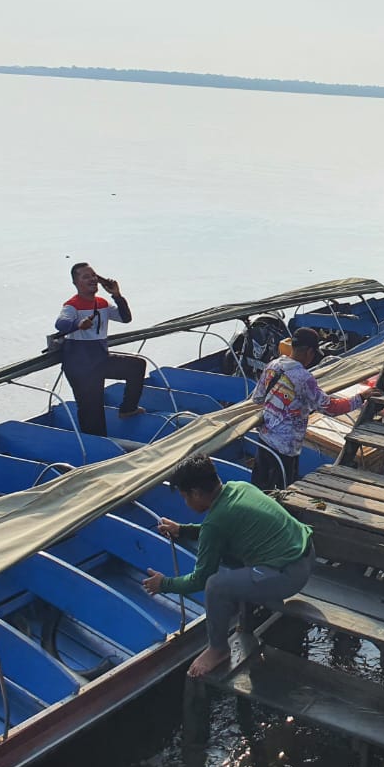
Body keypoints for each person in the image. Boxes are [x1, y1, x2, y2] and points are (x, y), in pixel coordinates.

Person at [142, 455, 316, 677]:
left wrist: (163, 584)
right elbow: (217, 528)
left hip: (290, 576)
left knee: (215, 584)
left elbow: (200, 579)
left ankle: (218, 649)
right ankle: (248, 598)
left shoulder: (216, 522)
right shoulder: (239, 487)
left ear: (196, 493)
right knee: (227, 556)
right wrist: (183, 530)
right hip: (307, 554)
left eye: (186, 497)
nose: (186, 503)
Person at [248, 326, 380, 488]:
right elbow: (331, 408)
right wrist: (361, 397)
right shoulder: (304, 378)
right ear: (310, 352)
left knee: (260, 487)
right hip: (285, 448)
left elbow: (258, 398)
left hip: (264, 440)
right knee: (281, 492)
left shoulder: (272, 365)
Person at [54, 262, 147, 437]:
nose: (92, 279)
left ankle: (128, 409)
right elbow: (61, 323)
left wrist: (117, 295)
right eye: (85, 276)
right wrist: (78, 324)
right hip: (80, 366)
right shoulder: (72, 305)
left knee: (136, 366)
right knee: (92, 411)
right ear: (76, 283)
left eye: (93, 275)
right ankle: (96, 448)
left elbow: (125, 318)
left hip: (99, 360)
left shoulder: (102, 303)